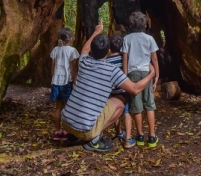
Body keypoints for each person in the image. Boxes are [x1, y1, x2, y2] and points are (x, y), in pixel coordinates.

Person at [61, 21, 155, 153]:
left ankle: (74, 135)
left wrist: (97, 31)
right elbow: (134, 89)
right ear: (108, 51)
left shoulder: (83, 61)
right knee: (120, 103)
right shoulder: (112, 71)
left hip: (65, 122)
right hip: (85, 130)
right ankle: (94, 139)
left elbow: (85, 49)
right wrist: (151, 74)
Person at [122, 11, 159, 147]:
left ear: (131, 25)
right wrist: (156, 75)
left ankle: (140, 136)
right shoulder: (149, 39)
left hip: (132, 74)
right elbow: (154, 58)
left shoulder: (127, 39)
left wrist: (125, 76)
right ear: (144, 25)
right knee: (149, 105)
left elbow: (125, 58)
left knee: (136, 107)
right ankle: (152, 136)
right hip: (146, 72)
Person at [106, 34, 135, 149]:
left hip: (112, 91)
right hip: (123, 89)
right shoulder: (124, 59)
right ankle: (128, 138)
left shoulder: (106, 61)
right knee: (126, 113)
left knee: (116, 111)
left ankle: (118, 133)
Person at [50, 27, 79, 141]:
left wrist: (53, 78)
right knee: (67, 107)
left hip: (56, 81)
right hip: (67, 81)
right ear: (71, 38)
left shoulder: (55, 50)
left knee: (58, 107)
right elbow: (73, 67)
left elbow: (52, 65)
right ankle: (66, 131)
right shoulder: (73, 51)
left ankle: (57, 131)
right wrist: (75, 80)